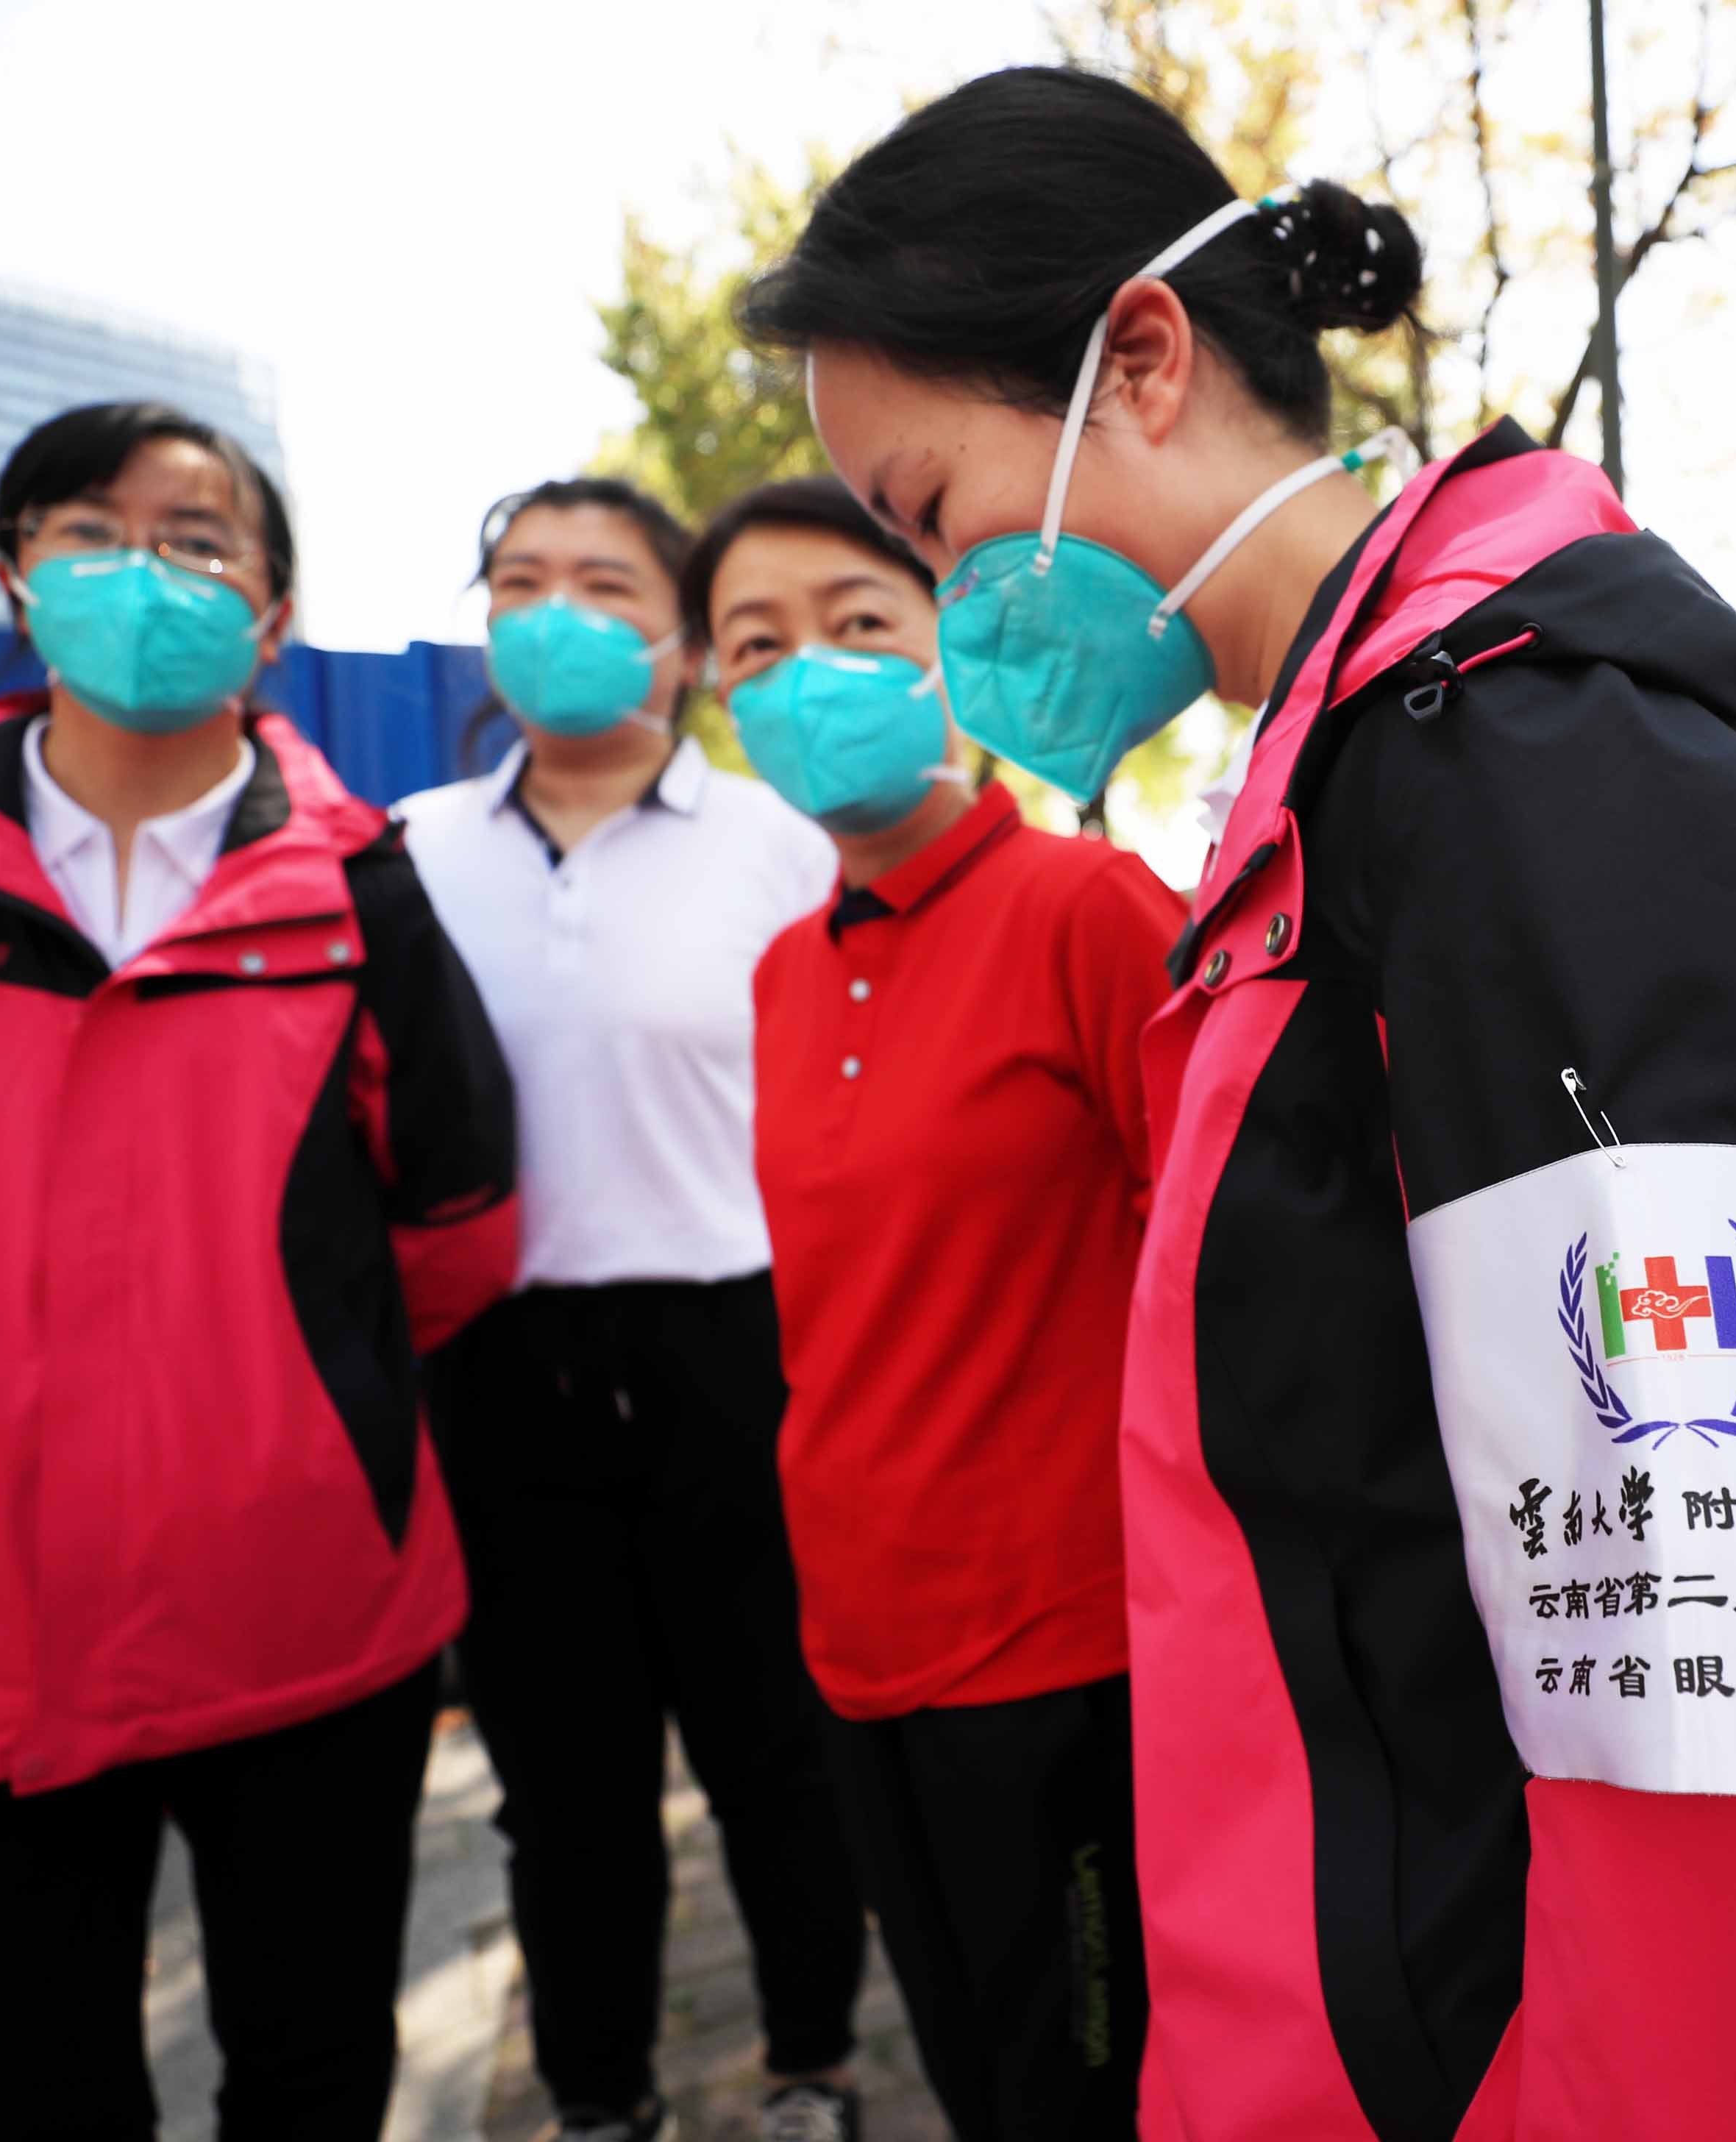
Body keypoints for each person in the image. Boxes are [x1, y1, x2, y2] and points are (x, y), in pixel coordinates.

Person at [742, 66, 1736, 2140]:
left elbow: (1690, 1630)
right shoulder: (1353, 774)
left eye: (929, 516)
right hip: (1341, 1966)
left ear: (1147, 356)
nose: (953, 607)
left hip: (1491, 2046)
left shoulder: (1514, 767)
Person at [0, 401, 522, 2139]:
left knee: (312, 2076)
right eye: (96, 532)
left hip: (310, 1624)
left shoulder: (361, 891)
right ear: (13, 576)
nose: (151, 572)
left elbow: (457, 1225)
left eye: (203, 542)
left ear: (270, 614)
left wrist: (272, 1384)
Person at [688, 474, 1182, 2141]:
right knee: (975, 2070)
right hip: (861, 1640)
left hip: (1068, 1642)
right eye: (756, 647)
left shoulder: (1090, 912)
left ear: (949, 645)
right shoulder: (779, 971)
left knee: (1091, 2080)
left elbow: (1224, 1273)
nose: (806, 673)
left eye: (858, 623)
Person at [394, 480, 867, 2142]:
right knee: (564, 1789)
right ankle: (601, 2097)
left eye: (604, 583)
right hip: (499, 1364)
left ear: (678, 638)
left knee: (776, 1758)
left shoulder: (782, 841)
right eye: (520, 581)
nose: (558, 612)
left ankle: (811, 2064)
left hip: (738, 1347)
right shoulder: (406, 853)